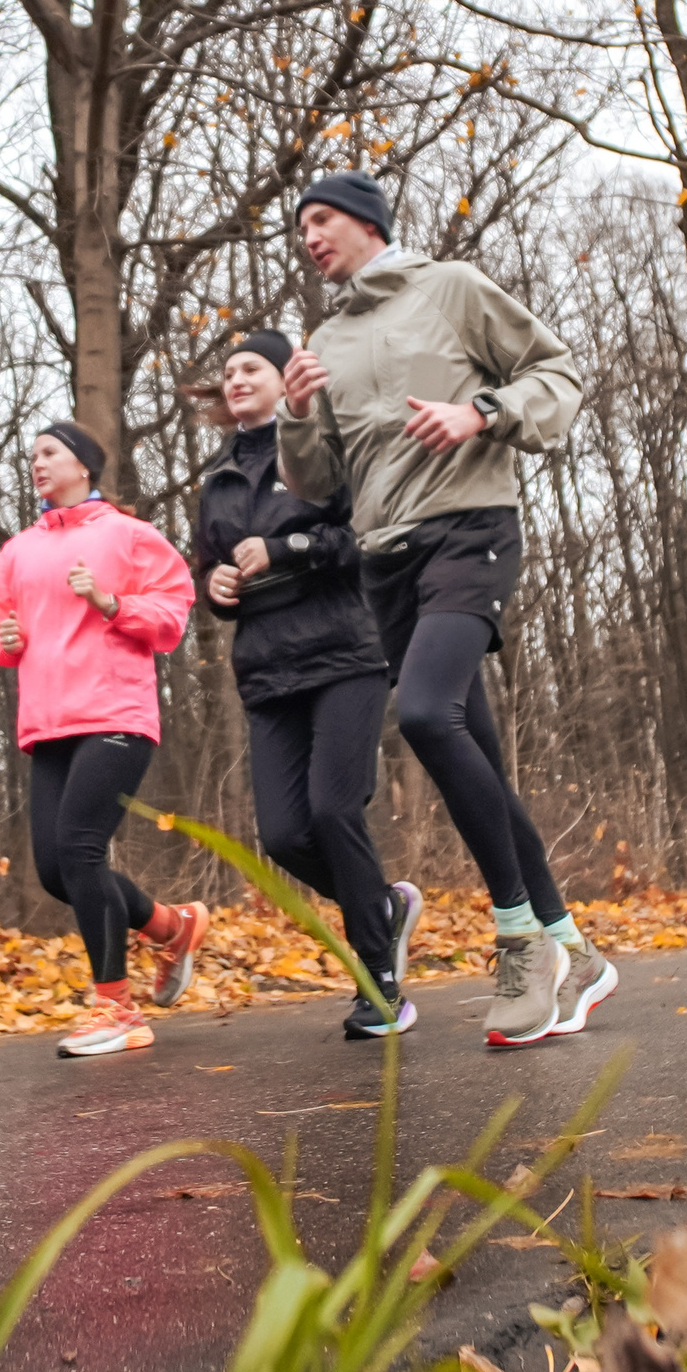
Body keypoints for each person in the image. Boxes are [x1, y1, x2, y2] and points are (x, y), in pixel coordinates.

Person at [275, 172, 616, 1049]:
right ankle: (576, 950)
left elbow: (558, 371)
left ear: (365, 222)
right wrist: (298, 413)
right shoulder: (326, 339)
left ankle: (519, 936)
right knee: (482, 762)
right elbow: (315, 483)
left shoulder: (451, 288)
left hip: (471, 530)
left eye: (321, 220)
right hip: (386, 560)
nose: (309, 237)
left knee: (427, 712)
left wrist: (481, 413)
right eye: (300, 227)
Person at [192, 329, 425, 1040]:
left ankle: (381, 983)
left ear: (283, 377)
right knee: (285, 834)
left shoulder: (325, 450)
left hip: (342, 653)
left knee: (332, 810)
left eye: (250, 367)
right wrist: (218, 583)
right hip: (266, 668)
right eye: (227, 371)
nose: (235, 379)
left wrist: (286, 548)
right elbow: (207, 570)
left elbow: (364, 540)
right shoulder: (218, 482)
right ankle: (380, 906)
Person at [0, 421, 207, 1057]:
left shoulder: (130, 536)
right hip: (46, 724)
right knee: (56, 872)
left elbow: (172, 613)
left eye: (49, 452)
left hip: (114, 714)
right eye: (32, 456)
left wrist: (111, 602)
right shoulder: (19, 549)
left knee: (80, 851)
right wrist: (6, 643)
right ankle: (171, 927)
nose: (37, 464)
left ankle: (116, 1008)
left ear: (83, 465)